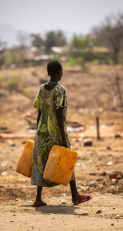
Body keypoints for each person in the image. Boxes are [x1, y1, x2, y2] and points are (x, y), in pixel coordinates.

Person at [31, 60, 93, 207]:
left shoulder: (41, 88)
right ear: (58, 72)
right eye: (62, 72)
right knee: (67, 160)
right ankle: (75, 196)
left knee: (41, 163)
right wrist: (63, 139)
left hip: (42, 132)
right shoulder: (60, 90)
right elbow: (59, 115)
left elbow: (39, 112)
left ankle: (38, 199)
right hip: (55, 132)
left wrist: (37, 131)